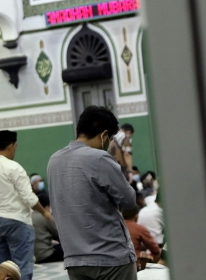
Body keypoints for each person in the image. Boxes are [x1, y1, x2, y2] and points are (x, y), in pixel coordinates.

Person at [48, 106, 137, 280]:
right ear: (104, 135)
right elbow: (129, 200)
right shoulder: (99, 158)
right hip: (110, 259)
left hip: (75, 260)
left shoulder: (54, 160)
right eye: (110, 139)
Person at [0, 130, 54, 280]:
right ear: (12, 146)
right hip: (17, 221)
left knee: (1, 269)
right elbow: (29, 198)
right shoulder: (13, 167)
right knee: (21, 267)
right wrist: (45, 213)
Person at [32, 194, 62, 264]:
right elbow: (59, 234)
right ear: (47, 207)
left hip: (34, 257)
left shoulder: (30, 216)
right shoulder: (44, 216)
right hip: (47, 255)